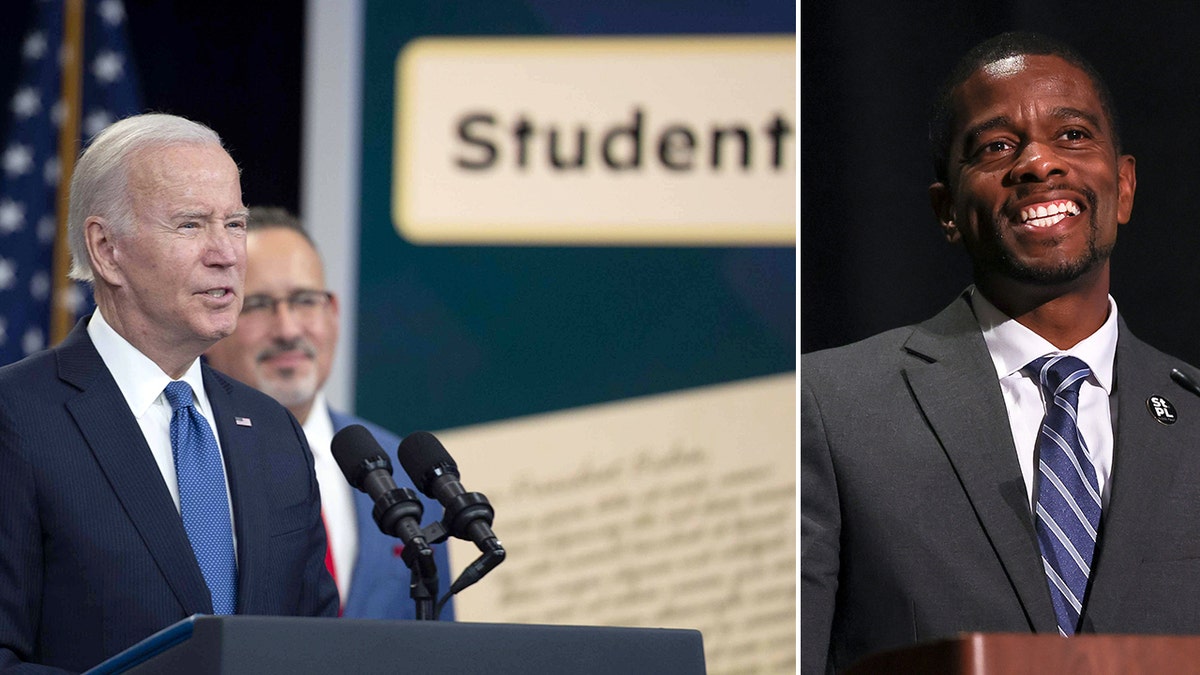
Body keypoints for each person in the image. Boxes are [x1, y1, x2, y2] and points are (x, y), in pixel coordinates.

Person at [801, 32, 1200, 674]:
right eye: (996, 147)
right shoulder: (828, 408)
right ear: (947, 211)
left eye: (1072, 135)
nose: (1039, 163)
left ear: (1123, 187)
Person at [0, 114, 338, 672]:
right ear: (107, 250)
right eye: (190, 225)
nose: (226, 253)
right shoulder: (19, 419)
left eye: (233, 223)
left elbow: (318, 650)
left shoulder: (274, 431)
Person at [203, 207, 455, 620]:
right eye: (259, 304)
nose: (287, 329)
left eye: (305, 301)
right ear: (213, 321)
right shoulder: (183, 467)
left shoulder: (404, 472)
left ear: (333, 314)